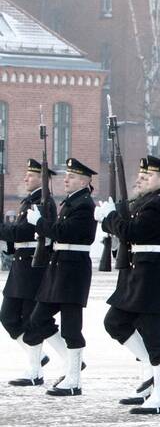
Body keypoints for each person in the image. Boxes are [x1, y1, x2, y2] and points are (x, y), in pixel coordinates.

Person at [96, 155, 160, 414]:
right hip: (140, 274)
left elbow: (132, 231)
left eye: (148, 176)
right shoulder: (150, 201)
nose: (141, 179)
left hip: (154, 275)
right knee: (115, 322)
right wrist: (113, 216)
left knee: (154, 335)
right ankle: (151, 373)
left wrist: (110, 218)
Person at [22, 158, 99, 397]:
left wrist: (40, 224)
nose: (66, 180)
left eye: (72, 177)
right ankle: (71, 364)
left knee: (71, 327)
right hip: (61, 268)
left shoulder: (84, 204)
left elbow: (65, 232)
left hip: (73, 270)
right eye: (66, 176)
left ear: (85, 181)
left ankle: (74, 379)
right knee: (37, 318)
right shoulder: (72, 201)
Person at [1, 159, 58, 386]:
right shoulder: (30, 201)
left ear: (42, 180)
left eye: (31, 175)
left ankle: (35, 370)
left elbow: (26, 230)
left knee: (28, 318)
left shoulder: (44, 203)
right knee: (8, 317)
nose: (25, 178)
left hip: (33, 267)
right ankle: (39, 356)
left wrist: (4, 230)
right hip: (21, 266)